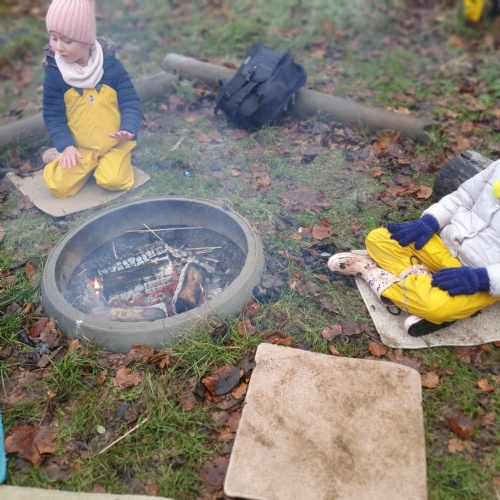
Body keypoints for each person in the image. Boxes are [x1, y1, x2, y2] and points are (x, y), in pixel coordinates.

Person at [328, 155, 500, 336]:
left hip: (478, 274)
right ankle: (423, 288)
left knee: (436, 308)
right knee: (378, 238)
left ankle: (372, 274)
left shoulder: (481, 277)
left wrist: (481, 278)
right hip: (445, 245)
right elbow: (461, 198)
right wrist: (430, 221)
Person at [42, 0, 142, 198]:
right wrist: (67, 145)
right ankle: (60, 154)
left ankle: (108, 163)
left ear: (87, 40)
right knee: (58, 186)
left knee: (113, 181)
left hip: (113, 144)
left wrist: (128, 129)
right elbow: (53, 115)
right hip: (80, 148)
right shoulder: (55, 72)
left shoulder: (111, 67)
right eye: (54, 38)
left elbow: (130, 102)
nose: (59, 47)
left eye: (66, 41)